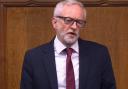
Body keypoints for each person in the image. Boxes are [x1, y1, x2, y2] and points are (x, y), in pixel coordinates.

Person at [20, 0, 116, 89]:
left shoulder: (99, 54)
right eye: (68, 20)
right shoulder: (33, 57)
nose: (74, 27)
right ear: (54, 22)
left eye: (79, 22)